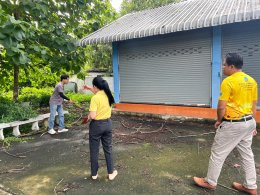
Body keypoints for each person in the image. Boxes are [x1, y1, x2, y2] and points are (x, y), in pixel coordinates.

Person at [193, 53, 258, 195]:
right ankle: (251, 186)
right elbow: (254, 104)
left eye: (224, 65)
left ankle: (210, 182)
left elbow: (221, 106)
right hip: (249, 121)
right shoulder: (252, 81)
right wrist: (253, 124)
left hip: (233, 123)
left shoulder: (228, 81)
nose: (222, 67)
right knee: (247, 154)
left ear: (232, 66)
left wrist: (219, 120)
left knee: (218, 153)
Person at [83, 76, 118, 180]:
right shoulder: (108, 94)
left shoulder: (95, 98)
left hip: (96, 126)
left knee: (94, 150)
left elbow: (93, 116)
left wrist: (88, 116)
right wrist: (89, 88)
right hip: (108, 124)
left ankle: (94, 174)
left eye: (92, 87)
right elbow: (98, 94)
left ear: (95, 86)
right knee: (108, 149)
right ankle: (111, 173)